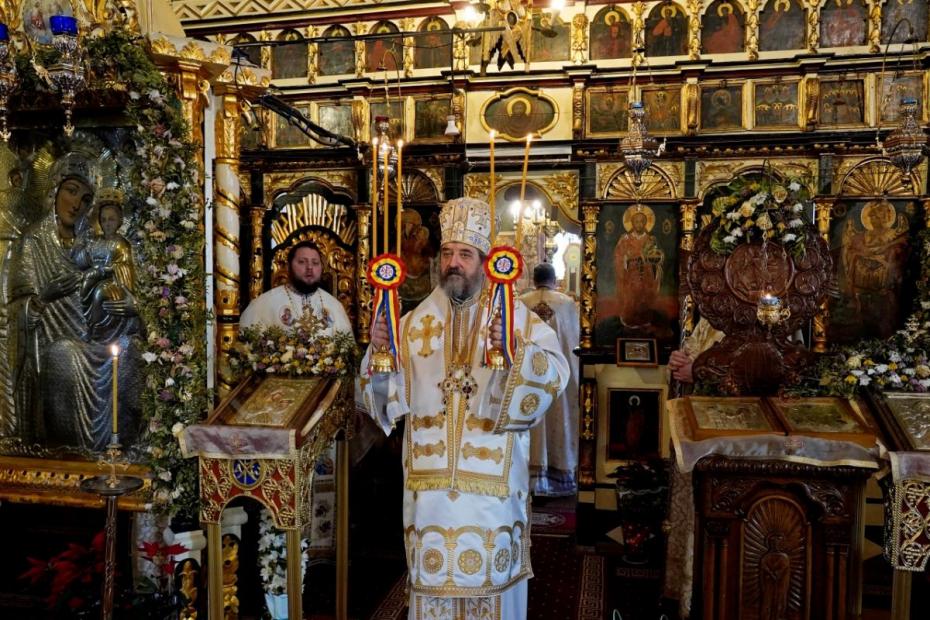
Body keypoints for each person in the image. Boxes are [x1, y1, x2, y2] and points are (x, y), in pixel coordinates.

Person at [357, 197, 570, 620]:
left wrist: (516, 353)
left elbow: (555, 375)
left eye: (465, 254)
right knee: (433, 590)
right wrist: (378, 354)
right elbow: (379, 399)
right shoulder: (412, 323)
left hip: (491, 491)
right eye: (448, 253)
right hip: (430, 492)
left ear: (486, 262)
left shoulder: (516, 319)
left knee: (491, 588)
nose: (454, 263)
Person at [7, 151, 141, 450]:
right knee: (64, 355)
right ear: (54, 190)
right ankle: (68, 452)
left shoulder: (94, 244)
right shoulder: (33, 242)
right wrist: (44, 297)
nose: (76, 204)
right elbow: (15, 313)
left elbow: (122, 285)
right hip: (54, 345)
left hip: (99, 337)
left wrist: (132, 308)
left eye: (86, 198)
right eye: (71, 191)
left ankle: (124, 450)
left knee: (130, 350)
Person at [518, 262, 580, 496]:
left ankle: (529, 479)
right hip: (558, 376)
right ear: (554, 280)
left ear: (534, 280)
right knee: (559, 420)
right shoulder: (566, 303)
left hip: (528, 377)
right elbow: (574, 341)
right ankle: (558, 476)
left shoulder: (522, 302)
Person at [71, 188, 141, 343]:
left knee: (100, 292)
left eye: (111, 219)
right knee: (81, 286)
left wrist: (105, 270)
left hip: (115, 284)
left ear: (119, 221)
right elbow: (82, 258)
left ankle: (95, 328)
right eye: (103, 220)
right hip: (94, 277)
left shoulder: (121, 243)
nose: (107, 224)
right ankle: (86, 324)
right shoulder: (96, 241)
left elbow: (124, 268)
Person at [239, 240, 352, 336]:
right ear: (289, 267)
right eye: (302, 262)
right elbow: (247, 348)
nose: (310, 267)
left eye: (315, 263)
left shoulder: (334, 306)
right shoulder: (264, 304)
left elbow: (348, 350)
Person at [614, 205, 664, 329]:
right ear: (632, 223)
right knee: (631, 296)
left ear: (645, 223)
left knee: (644, 296)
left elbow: (658, 255)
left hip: (646, 273)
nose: (639, 224)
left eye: (642, 221)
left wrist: (653, 258)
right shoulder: (625, 239)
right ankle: (629, 319)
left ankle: (644, 319)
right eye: (636, 221)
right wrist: (626, 260)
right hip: (631, 274)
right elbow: (619, 255)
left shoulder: (650, 239)